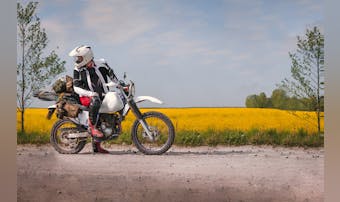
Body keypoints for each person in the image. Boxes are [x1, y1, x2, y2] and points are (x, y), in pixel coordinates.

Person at [69, 45, 119, 154]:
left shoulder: (102, 63)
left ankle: (97, 147)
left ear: (87, 56)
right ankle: (92, 127)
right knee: (96, 100)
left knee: (104, 117)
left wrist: (121, 85)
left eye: (79, 58)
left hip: (103, 94)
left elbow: (112, 76)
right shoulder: (77, 69)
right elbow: (76, 87)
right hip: (86, 96)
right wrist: (91, 94)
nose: (77, 60)